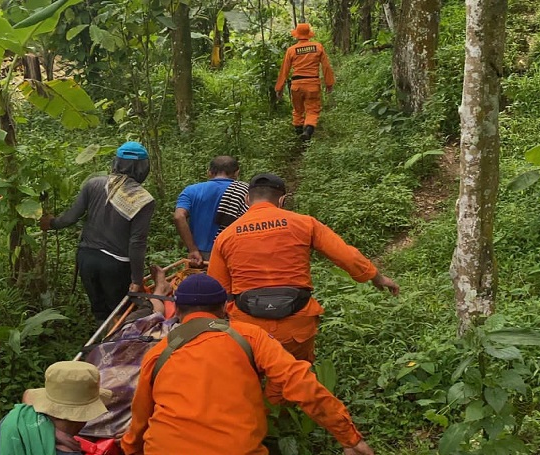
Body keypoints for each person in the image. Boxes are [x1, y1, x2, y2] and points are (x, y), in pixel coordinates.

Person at [120, 274, 375, 455]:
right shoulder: (250, 336)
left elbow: (140, 417)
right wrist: (348, 436)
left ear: (176, 311)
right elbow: (299, 381)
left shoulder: (157, 354)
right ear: (224, 307)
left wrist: (130, 449)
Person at [208, 173, 399, 367]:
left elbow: (217, 288)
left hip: (248, 324)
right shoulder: (305, 223)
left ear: (247, 199)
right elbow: (346, 256)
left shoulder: (226, 235)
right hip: (296, 322)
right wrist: (377, 277)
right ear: (282, 200)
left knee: (252, 376)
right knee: (296, 375)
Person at [41, 142, 156, 322]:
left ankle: (100, 343)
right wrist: (137, 279)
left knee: (100, 312)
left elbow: (71, 217)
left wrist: (51, 223)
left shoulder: (94, 184)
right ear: (143, 168)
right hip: (116, 265)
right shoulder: (144, 199)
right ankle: (114, 346)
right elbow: (137, 242)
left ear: (116, 163)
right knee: (121, 314)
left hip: (86, 259)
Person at [0, 361, 113, 455]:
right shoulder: (67, 451)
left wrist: (51, 431)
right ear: (83, 416)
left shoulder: (14, 421)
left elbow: (27, 396)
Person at [173, 156, 247, 267]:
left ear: (209, 172)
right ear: (236, 173)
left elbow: (178, 216)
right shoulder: (246, 191)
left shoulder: (191, 190)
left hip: (200, 256)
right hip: (233, 252)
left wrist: (192, 249)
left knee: (200, 284)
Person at [275, 23, 335, 141]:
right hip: (312, 84)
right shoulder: (317, 47)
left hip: (296, 85)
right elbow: (326, 67)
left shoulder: (291, 50)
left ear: (297, 35)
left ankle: (298, 135)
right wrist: (329, 83)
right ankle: (307, 131)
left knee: (298, 110)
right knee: (312, 110)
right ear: (309, 34)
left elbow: (284, 70)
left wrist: (279, 88)